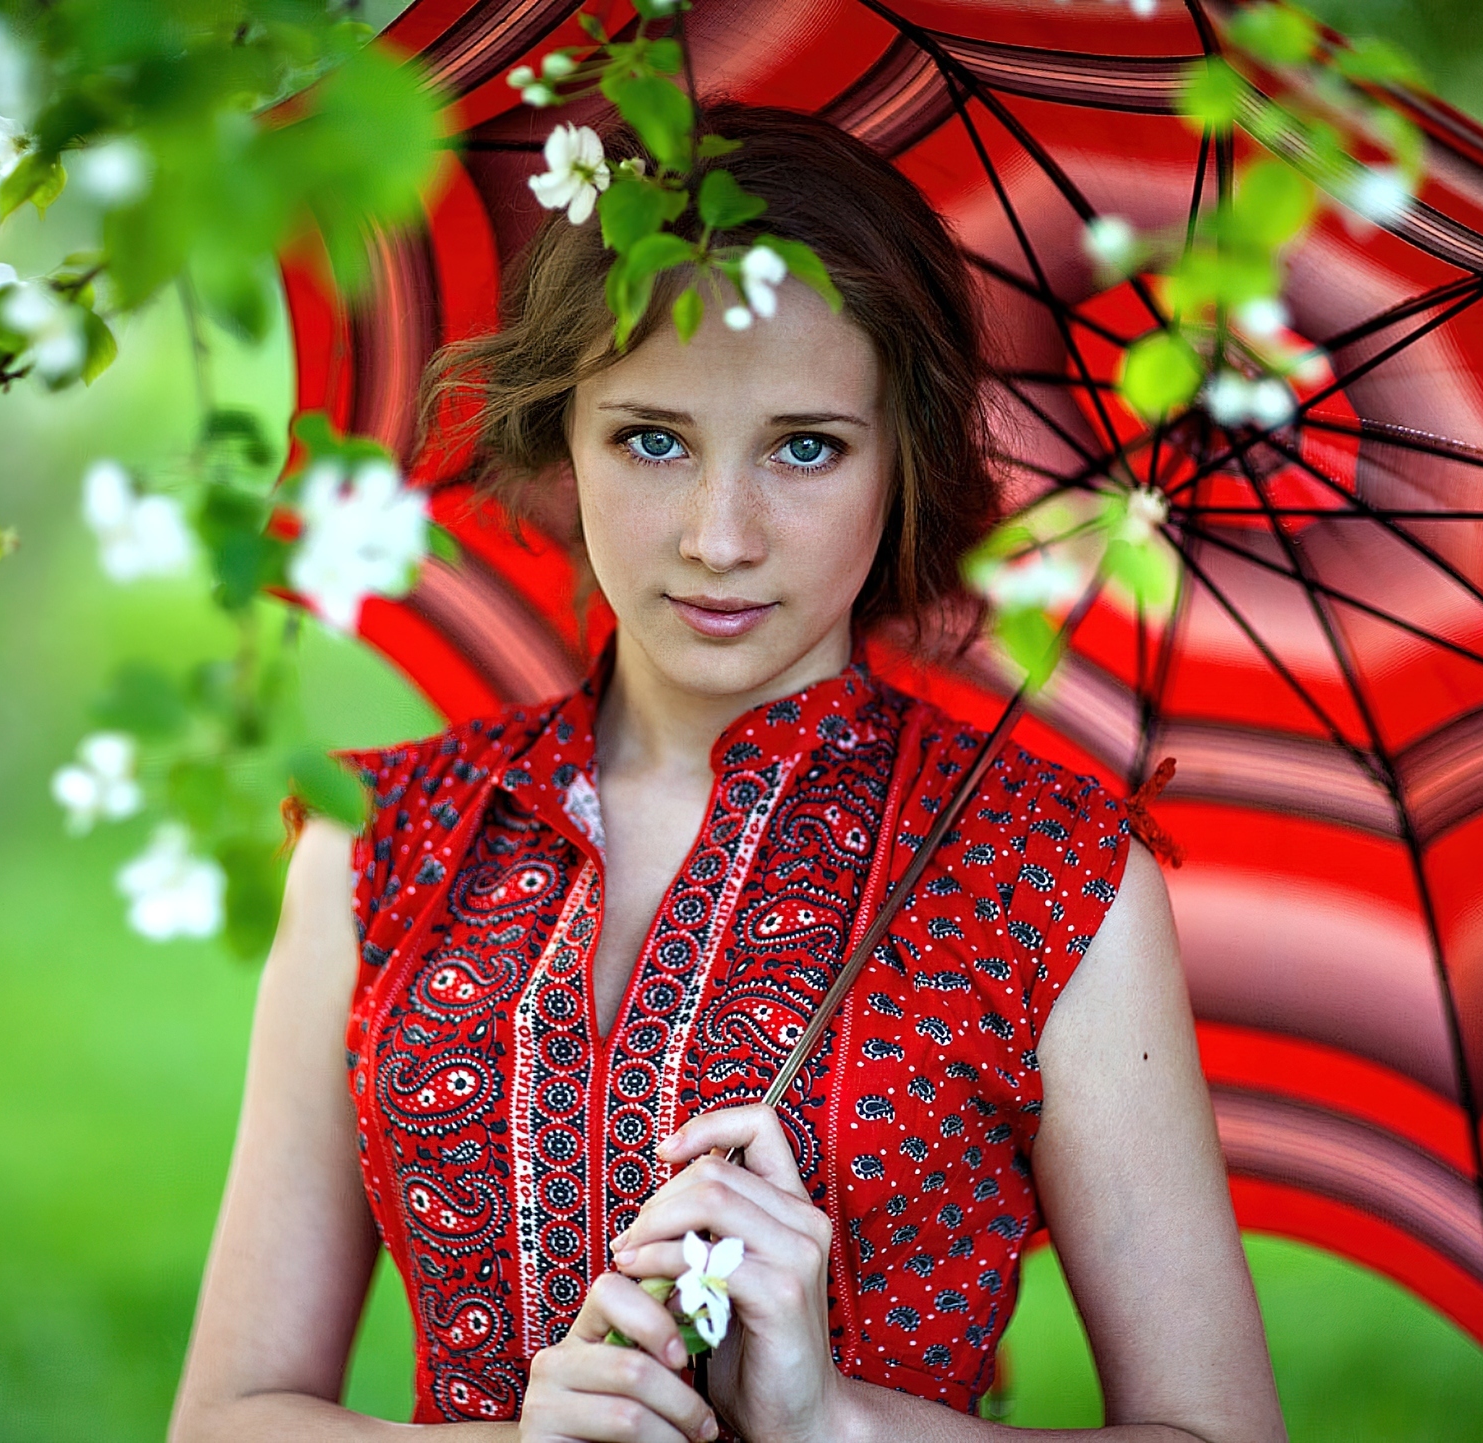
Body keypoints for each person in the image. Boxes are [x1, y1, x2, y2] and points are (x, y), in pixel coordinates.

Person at [170, 103, 1285, 1443]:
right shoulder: (381, 847)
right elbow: (226, 1418)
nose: (717, 537)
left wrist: (834, 1425)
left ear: (904, 461)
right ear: (558, 436)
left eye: (807, 445)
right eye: (651, 438)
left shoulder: (1050, 877)